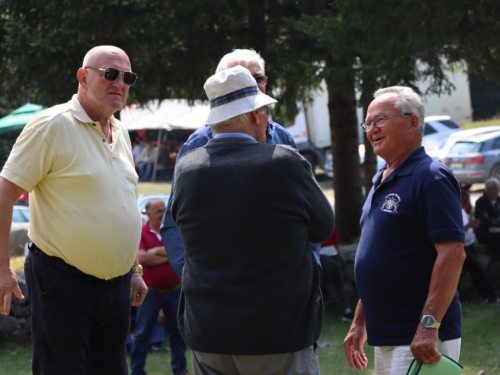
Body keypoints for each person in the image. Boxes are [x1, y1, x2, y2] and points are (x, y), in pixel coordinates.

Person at [171, 66, 334, 374]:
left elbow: (181, 227)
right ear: (257, 114)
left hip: (208, 332)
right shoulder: (285, 163)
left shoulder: (187, 168)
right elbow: (323, 227)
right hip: (277, 333)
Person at [0, 45, 147, 375]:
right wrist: (2, 269)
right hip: (62, 281)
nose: (119, 83)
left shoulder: (120, 132)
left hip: (116, 288)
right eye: (110, 74)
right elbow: (3, 196)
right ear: (83, 77)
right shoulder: (50, 126)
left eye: (128, 77)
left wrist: (134, 269)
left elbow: (123, 203)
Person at [160, 48, 320, 278]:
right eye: (241, 77)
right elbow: (174, 223)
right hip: (222, 289)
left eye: (258, 78)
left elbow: (311, 214)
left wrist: (311, 266)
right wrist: (192, 281)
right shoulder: (199, 144)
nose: (252, 85)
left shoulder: (283, 138)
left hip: (284, 287)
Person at [344, 86, 466, 374]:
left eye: (380, 119)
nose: (371, 129)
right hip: (387, 336)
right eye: (368, 123)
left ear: (413, 122)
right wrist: (360, 322)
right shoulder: (380, 180)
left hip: (419, 337)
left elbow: (453, 254)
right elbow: (381, 257)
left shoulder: (430, 177)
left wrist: (428, 325)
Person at [130, 199, 189, 375]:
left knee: (177, 333)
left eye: (164, 210)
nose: (163, 214)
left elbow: (183, 252)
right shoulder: (141, 233)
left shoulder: (172, 231)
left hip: (174, 290)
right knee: (141, 334)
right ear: (148, 213)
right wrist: (169, 254)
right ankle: (137, 371)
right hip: (151, 292)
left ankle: (180, 370)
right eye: (158, 211)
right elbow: (141, 257)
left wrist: (154, 252)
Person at [461, 189, 499, 304]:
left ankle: (488, 296)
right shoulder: (454, 211)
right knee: (477, 270)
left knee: (477, 271)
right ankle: (490, 296)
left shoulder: (463, 211)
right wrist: (469, 225)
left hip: (470, 243)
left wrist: (473, 226)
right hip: (463, 247)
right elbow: (456, 230)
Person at [320, 226, 354, 322]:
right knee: (336, 281)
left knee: (338, 282)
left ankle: (347, 311)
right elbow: (335, 236)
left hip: (327, 251)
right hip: (326, 252)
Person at [474, 177, 500, 259]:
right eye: (496, 189)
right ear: (489, 189)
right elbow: (482, 220)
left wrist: (492, 221)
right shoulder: (480, 202)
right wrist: (495, 221)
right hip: (485, 230)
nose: (498, 191)